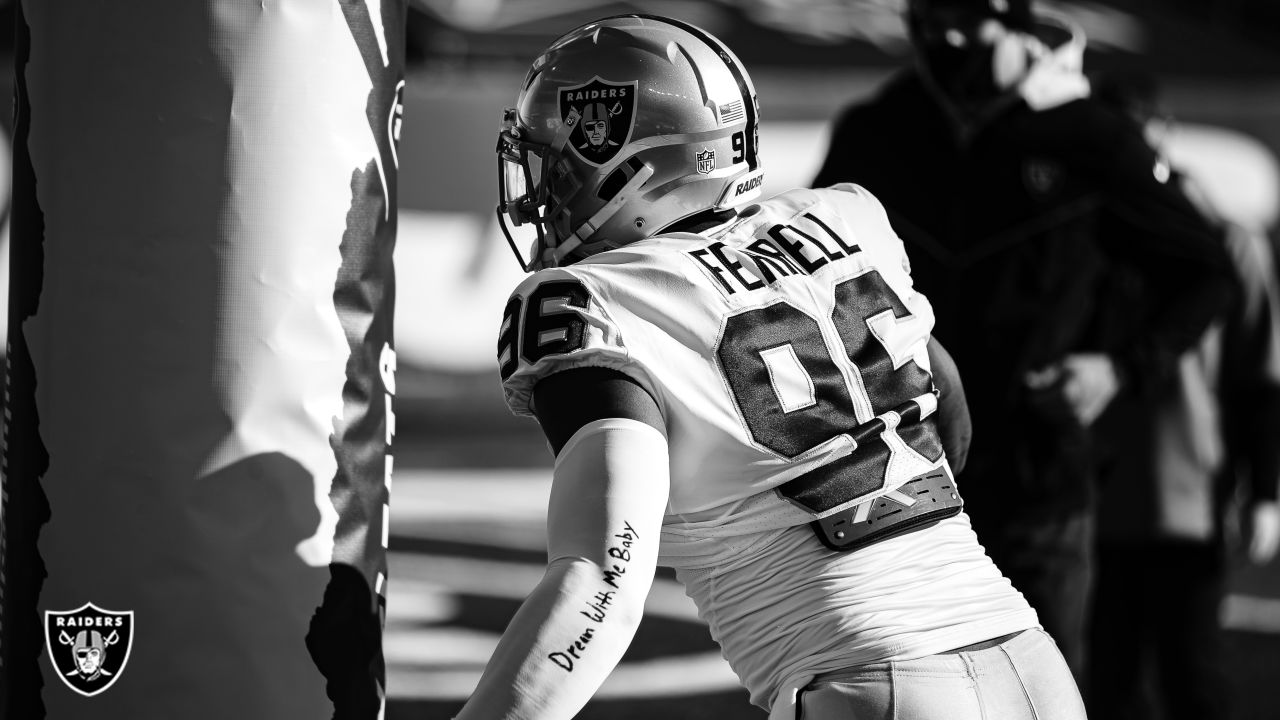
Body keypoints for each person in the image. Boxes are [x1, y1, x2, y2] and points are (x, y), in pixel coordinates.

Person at [454, 13, 1086, 720]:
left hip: (869, 680)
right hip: (1030, 662)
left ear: (622, 159)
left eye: (556, 163)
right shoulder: (846, 219)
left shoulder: (598, 299)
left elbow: (603, 578)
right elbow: (952, 425)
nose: (542, 191)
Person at [810, 0, 1236, 679]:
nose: (944, 35)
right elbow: (815, 261)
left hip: (1041, 470)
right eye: (926, 18)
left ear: (1014, 21)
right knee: (911, 683)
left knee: (1041, 684)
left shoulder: (1087, 133)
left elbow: (1205, 270)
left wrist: (1119, 368)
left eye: (965, 19)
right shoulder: (881, 127)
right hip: (907, 465)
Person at [1084, 71, 1280, 720]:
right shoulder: (1085, 236)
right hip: (1096, 498)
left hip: (1190, 499)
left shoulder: (1229, 240)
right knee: (1105, 676)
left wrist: (1267, 493)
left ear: (1160, 136)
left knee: (1191, 672)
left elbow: (1260, 377)